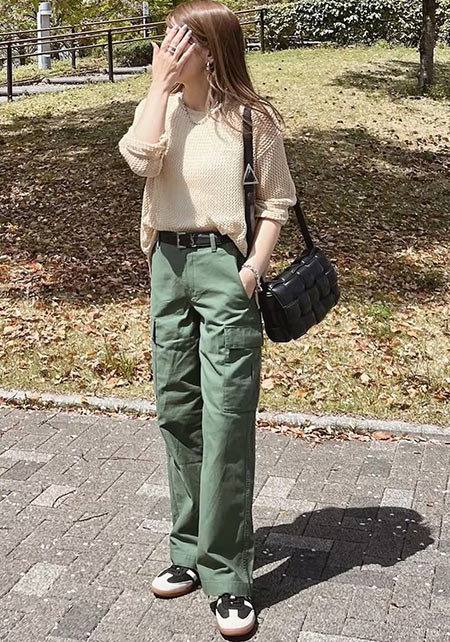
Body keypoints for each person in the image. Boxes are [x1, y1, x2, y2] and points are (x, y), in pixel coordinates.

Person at [118, 0, 297, 636]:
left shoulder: (252, 119)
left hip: (226, 268)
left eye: (181, 37)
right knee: (176, 408)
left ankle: (227, 575)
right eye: (166, 34)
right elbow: (139, 159)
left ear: (212, 51)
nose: (167, 45)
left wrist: (251, 271)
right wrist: (157, 89)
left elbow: (276, 202)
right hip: (166, 266)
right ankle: (189, 550)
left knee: (226, 419)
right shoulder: (160, 107)